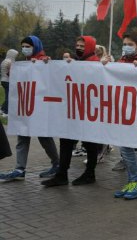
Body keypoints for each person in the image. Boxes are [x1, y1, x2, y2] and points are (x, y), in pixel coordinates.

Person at [42, 36, 104, 187]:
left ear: (90, 46)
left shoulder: (96, 63)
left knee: (90, 143)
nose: (79, 48)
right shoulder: (74, 62)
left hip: (88, 110)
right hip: (72, 110)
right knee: (66, 141)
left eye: (82, 46)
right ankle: (62, 174)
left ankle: (90, 173)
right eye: (77, 45)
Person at [0, 36, 60, 182]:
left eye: (28, 46)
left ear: (36, 47)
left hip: (39, 107)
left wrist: (43, 63)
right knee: (22, 135)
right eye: (23, 46)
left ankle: (57, 164)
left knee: (44, 137)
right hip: (25, 106)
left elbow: (50, 73)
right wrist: (10, 72)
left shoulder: (44, 59)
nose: (25, 49)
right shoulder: (25, 63)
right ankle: (20, 168)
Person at [102, 31, 137, 199]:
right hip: (125, 111)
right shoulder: (122, 61)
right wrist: (105, 64)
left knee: (126, 146)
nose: (126, 47)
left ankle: (136, 182)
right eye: (124, 44)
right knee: (126, 148)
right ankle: (134, 181)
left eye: (130, 44)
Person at [0, 48, 18, 117]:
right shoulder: (10, 62)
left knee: (7, 95)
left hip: (3, 80)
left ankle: (2, 108)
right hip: (8, 80)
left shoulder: (4, 61)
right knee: (9, 96)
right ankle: (5, 111)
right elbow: (11, 72)